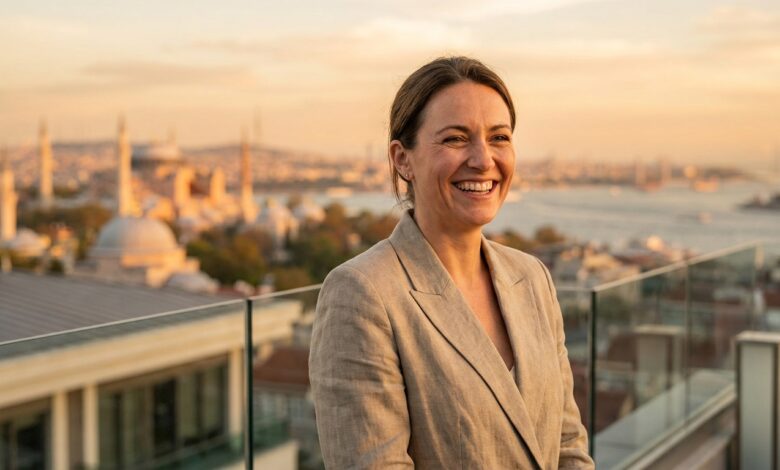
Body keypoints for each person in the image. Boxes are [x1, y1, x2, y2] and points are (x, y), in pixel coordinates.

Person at [309, 56, 594, 469]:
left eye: (499, 137)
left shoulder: (532, 278)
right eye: (456, 139)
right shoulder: (362, 294)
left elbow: (568, 444)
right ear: (402, 159)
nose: (483, 159)